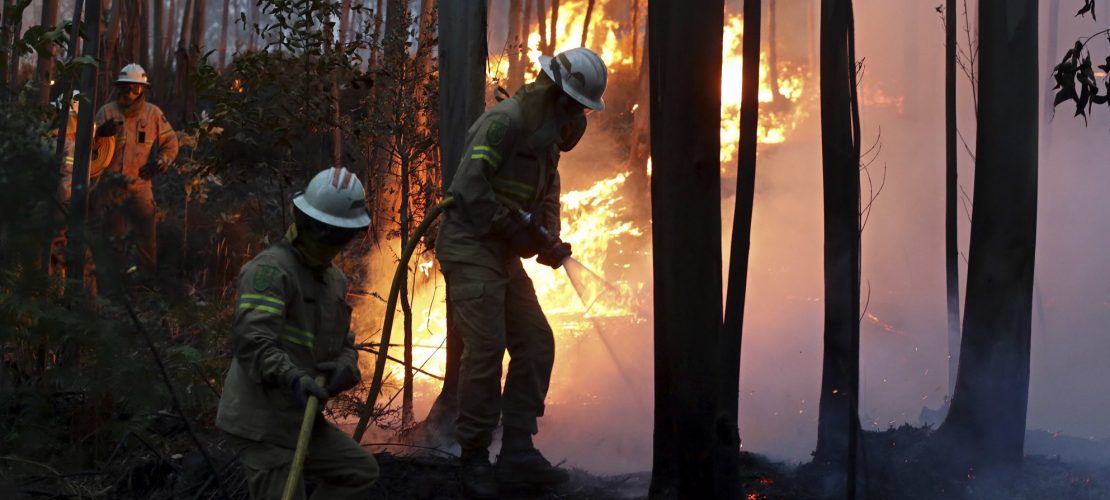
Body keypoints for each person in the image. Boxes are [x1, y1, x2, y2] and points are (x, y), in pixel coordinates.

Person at [434, 47, 607, 498]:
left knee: (536, 341)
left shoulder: (548, 137)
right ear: (556, 93)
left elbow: (548, 194)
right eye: (575, 104)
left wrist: (549, 237)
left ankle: (517, 452)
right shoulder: (505, 122)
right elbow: (468, 188)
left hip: (502, 252)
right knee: (487, 347)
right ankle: (474, 455)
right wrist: (516, 228)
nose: (577, 116)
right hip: (469, 243)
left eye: (583, 109)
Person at [216, 166, 379, 499]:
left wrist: (346, 366)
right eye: (321, 230)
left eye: (337, 234)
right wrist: (293, 378)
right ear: (303, 221)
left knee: (359, 473)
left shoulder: (334, 281)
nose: (327, 241)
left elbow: (344, 344)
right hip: (261, 422)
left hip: (298, 418)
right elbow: (252, 343)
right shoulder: (270, 271)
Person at [92, 63, 178, 277]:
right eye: (126, 87)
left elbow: (171, 142)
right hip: (111, 186)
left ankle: (147, 284)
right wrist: (99, 134)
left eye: (135, 87)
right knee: (113, 238)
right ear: (119, 87)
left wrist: (160, 163)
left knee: (147, 237)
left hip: (140, 185)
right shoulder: (106, 112)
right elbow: (87, 149)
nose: (130, 92)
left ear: (143, 89)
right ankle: (114, 283)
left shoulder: (153, 114)